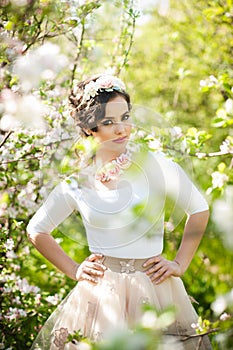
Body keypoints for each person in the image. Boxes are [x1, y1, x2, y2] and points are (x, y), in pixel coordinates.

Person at [27, 74, 212, 349]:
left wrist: (180, 263)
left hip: (156, 288)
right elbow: (36, 230)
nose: (121, 129)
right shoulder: (78, 183)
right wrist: (75, 269)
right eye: (108, 122)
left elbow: (198, 209)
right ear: (90, 128)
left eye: (125, 117)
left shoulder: (157, 166)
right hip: (100, 297)